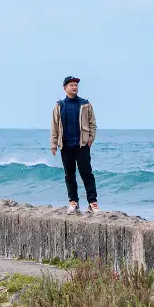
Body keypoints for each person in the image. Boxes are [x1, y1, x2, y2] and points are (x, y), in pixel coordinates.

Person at [50, 76, 101, 215]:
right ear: (65, 88)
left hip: (82, 145)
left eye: (76, 85)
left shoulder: (85, 104)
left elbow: (93, 123)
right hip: (66, 146)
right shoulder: (59, 105)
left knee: (87, 174)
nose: (74, 87)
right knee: (69, 175)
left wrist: (91, 139)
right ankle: (73, 202)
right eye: (71, 85)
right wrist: (54, 144)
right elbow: (54, 126)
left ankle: (92, 202)